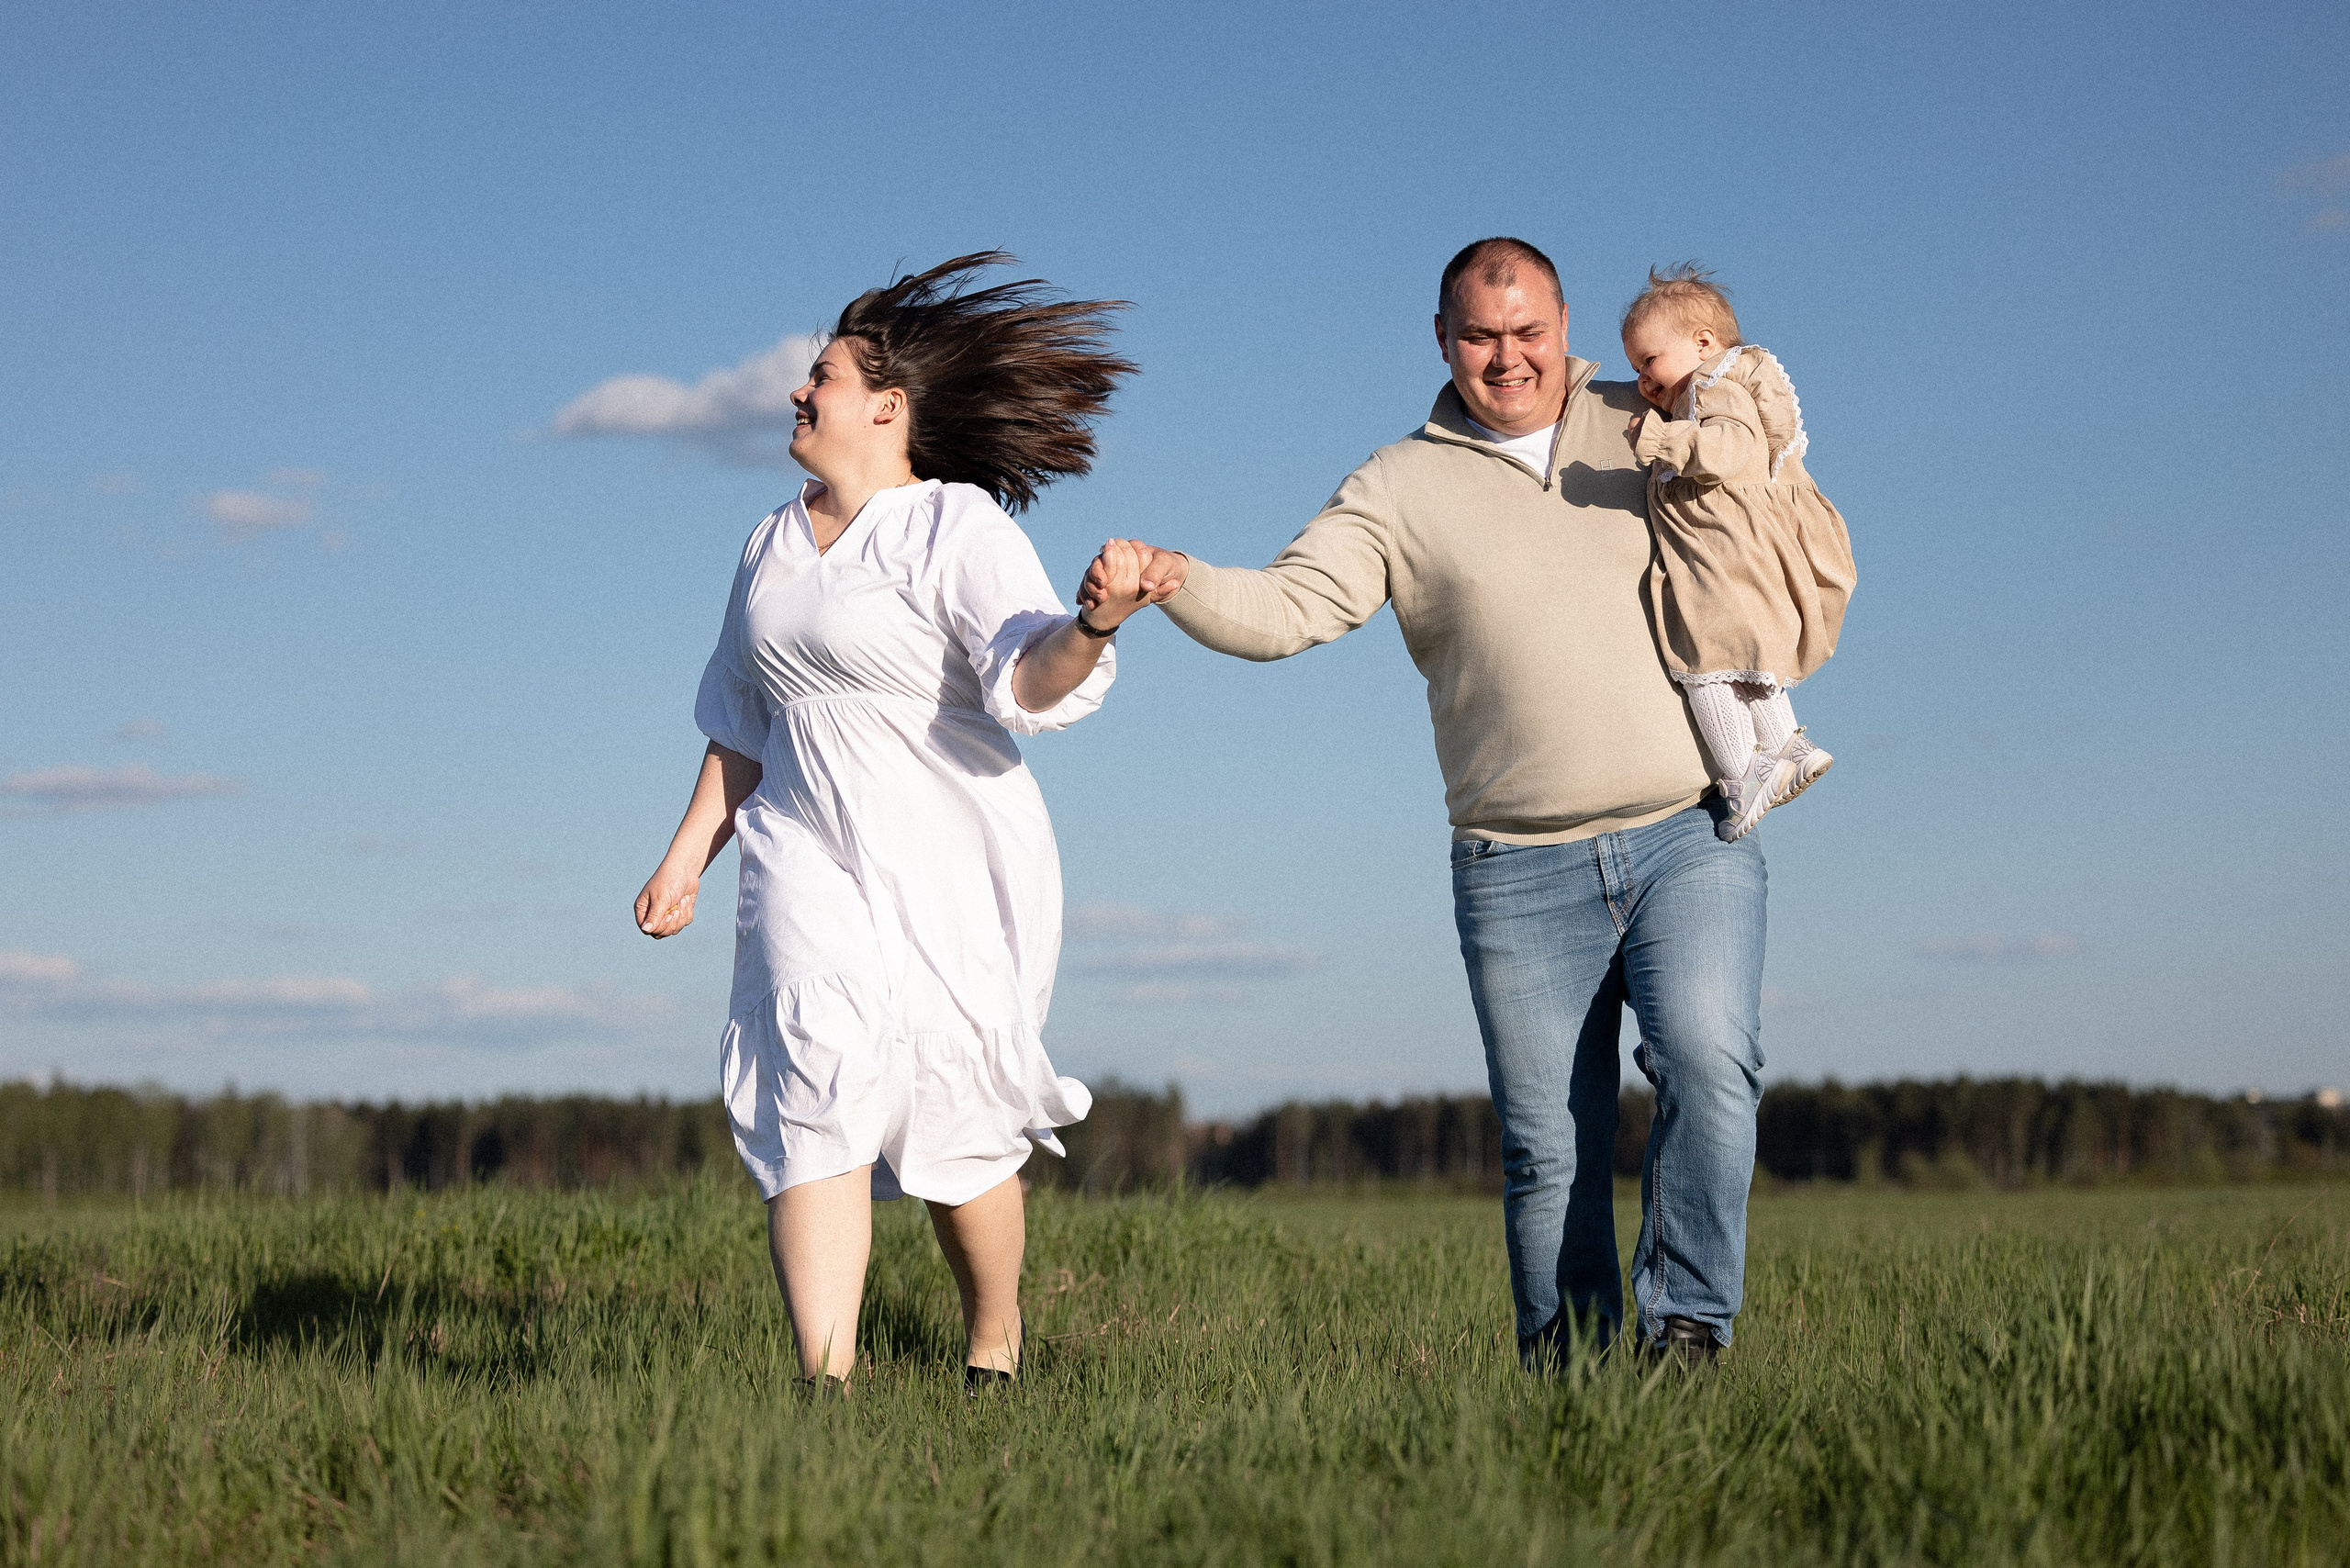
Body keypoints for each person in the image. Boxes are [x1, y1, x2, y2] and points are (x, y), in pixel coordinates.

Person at [1086, 238, 1767, 1367]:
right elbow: (1291, 604)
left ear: (1563, 325)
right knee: (1550, 1142)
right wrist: (1177, 582)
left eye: (1529, 332)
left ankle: (1686, 1328)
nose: (1507, 358)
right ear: (1443, 340)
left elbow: (1759, 464)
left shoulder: (1642, 424)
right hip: (1515, 862)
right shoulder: (1399, 483)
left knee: (1707, 1060)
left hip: (1684, 829)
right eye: (1480, 336)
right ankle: (1570, 1372)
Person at [633, 252, 1150, 1393]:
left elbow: (1030, 670)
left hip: (946, 857)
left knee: (956, 1114)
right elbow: (740, 719)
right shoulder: (768, 544)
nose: (795, 393)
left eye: (817, 373)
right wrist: (683, 861)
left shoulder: (951, 527)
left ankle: (994, 1335)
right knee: (812, 1074)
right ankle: (826, 1384)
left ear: (886, 403)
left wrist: (1096, 624)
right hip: (799, 844)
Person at [1619, 264, 1856, 842]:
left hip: (1718, 556)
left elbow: (1728, 448)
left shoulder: (1711, 387)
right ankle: (1784, 747)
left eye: (1649, 361)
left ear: (1702, 344)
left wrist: (1658, 439)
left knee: (1704, 663)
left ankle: (1742, 773)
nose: (1645, 381)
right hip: (1736, 552)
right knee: (1746, 657)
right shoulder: (1709, 389)